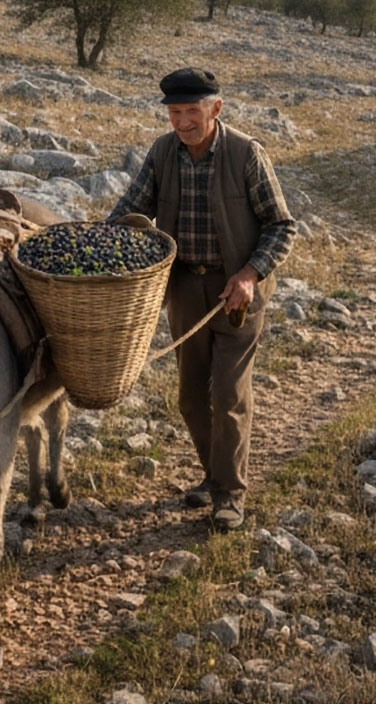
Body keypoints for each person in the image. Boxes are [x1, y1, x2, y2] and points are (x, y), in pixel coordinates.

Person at [109, 67, 296, 531]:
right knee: (192, 398)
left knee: (230, 395)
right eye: (175, 111)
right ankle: (213, 477)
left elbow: (281, 225)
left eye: (192, 110)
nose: (183, 121)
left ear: (216, 108)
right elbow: (129, 211)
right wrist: (99, 244)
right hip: (185, 289)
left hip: (236, 292)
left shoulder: (246, 154)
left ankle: (230, 495)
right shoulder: (162, 153)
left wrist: (251, 275)